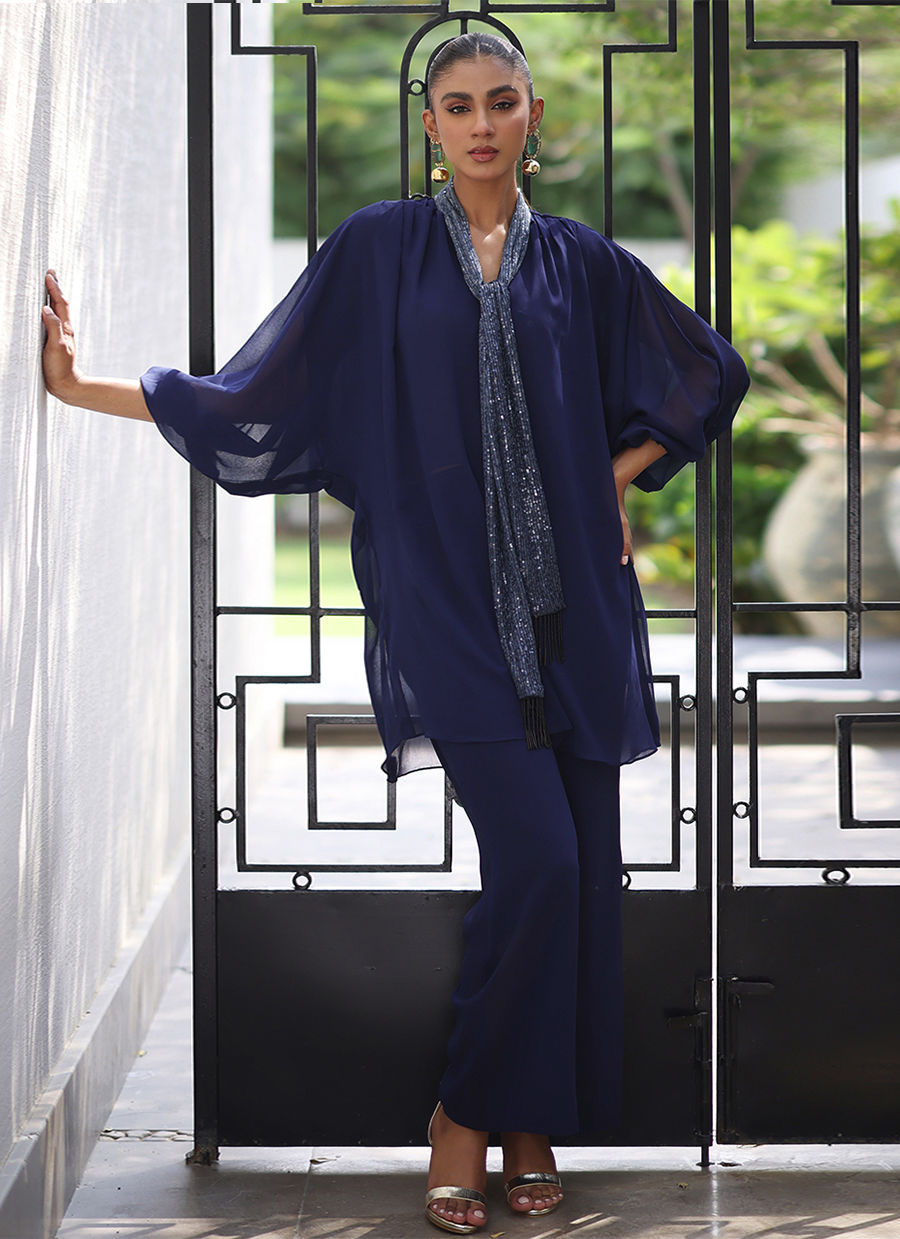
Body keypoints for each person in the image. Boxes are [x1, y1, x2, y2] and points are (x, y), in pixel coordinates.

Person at [42, 31, 749, 1235]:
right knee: (539, 861)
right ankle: (465, 1116)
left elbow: (709, 375)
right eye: (457, 105)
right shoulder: (378, 251)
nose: (480, 124)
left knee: (578, 877)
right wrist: (85, 387)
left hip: (576, 611)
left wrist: (611, 479)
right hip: (446, 608)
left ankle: (531, 1125)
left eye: (501, 102)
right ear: (430, 123)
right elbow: (259, 399)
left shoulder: (583, 264)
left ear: (533, 116)